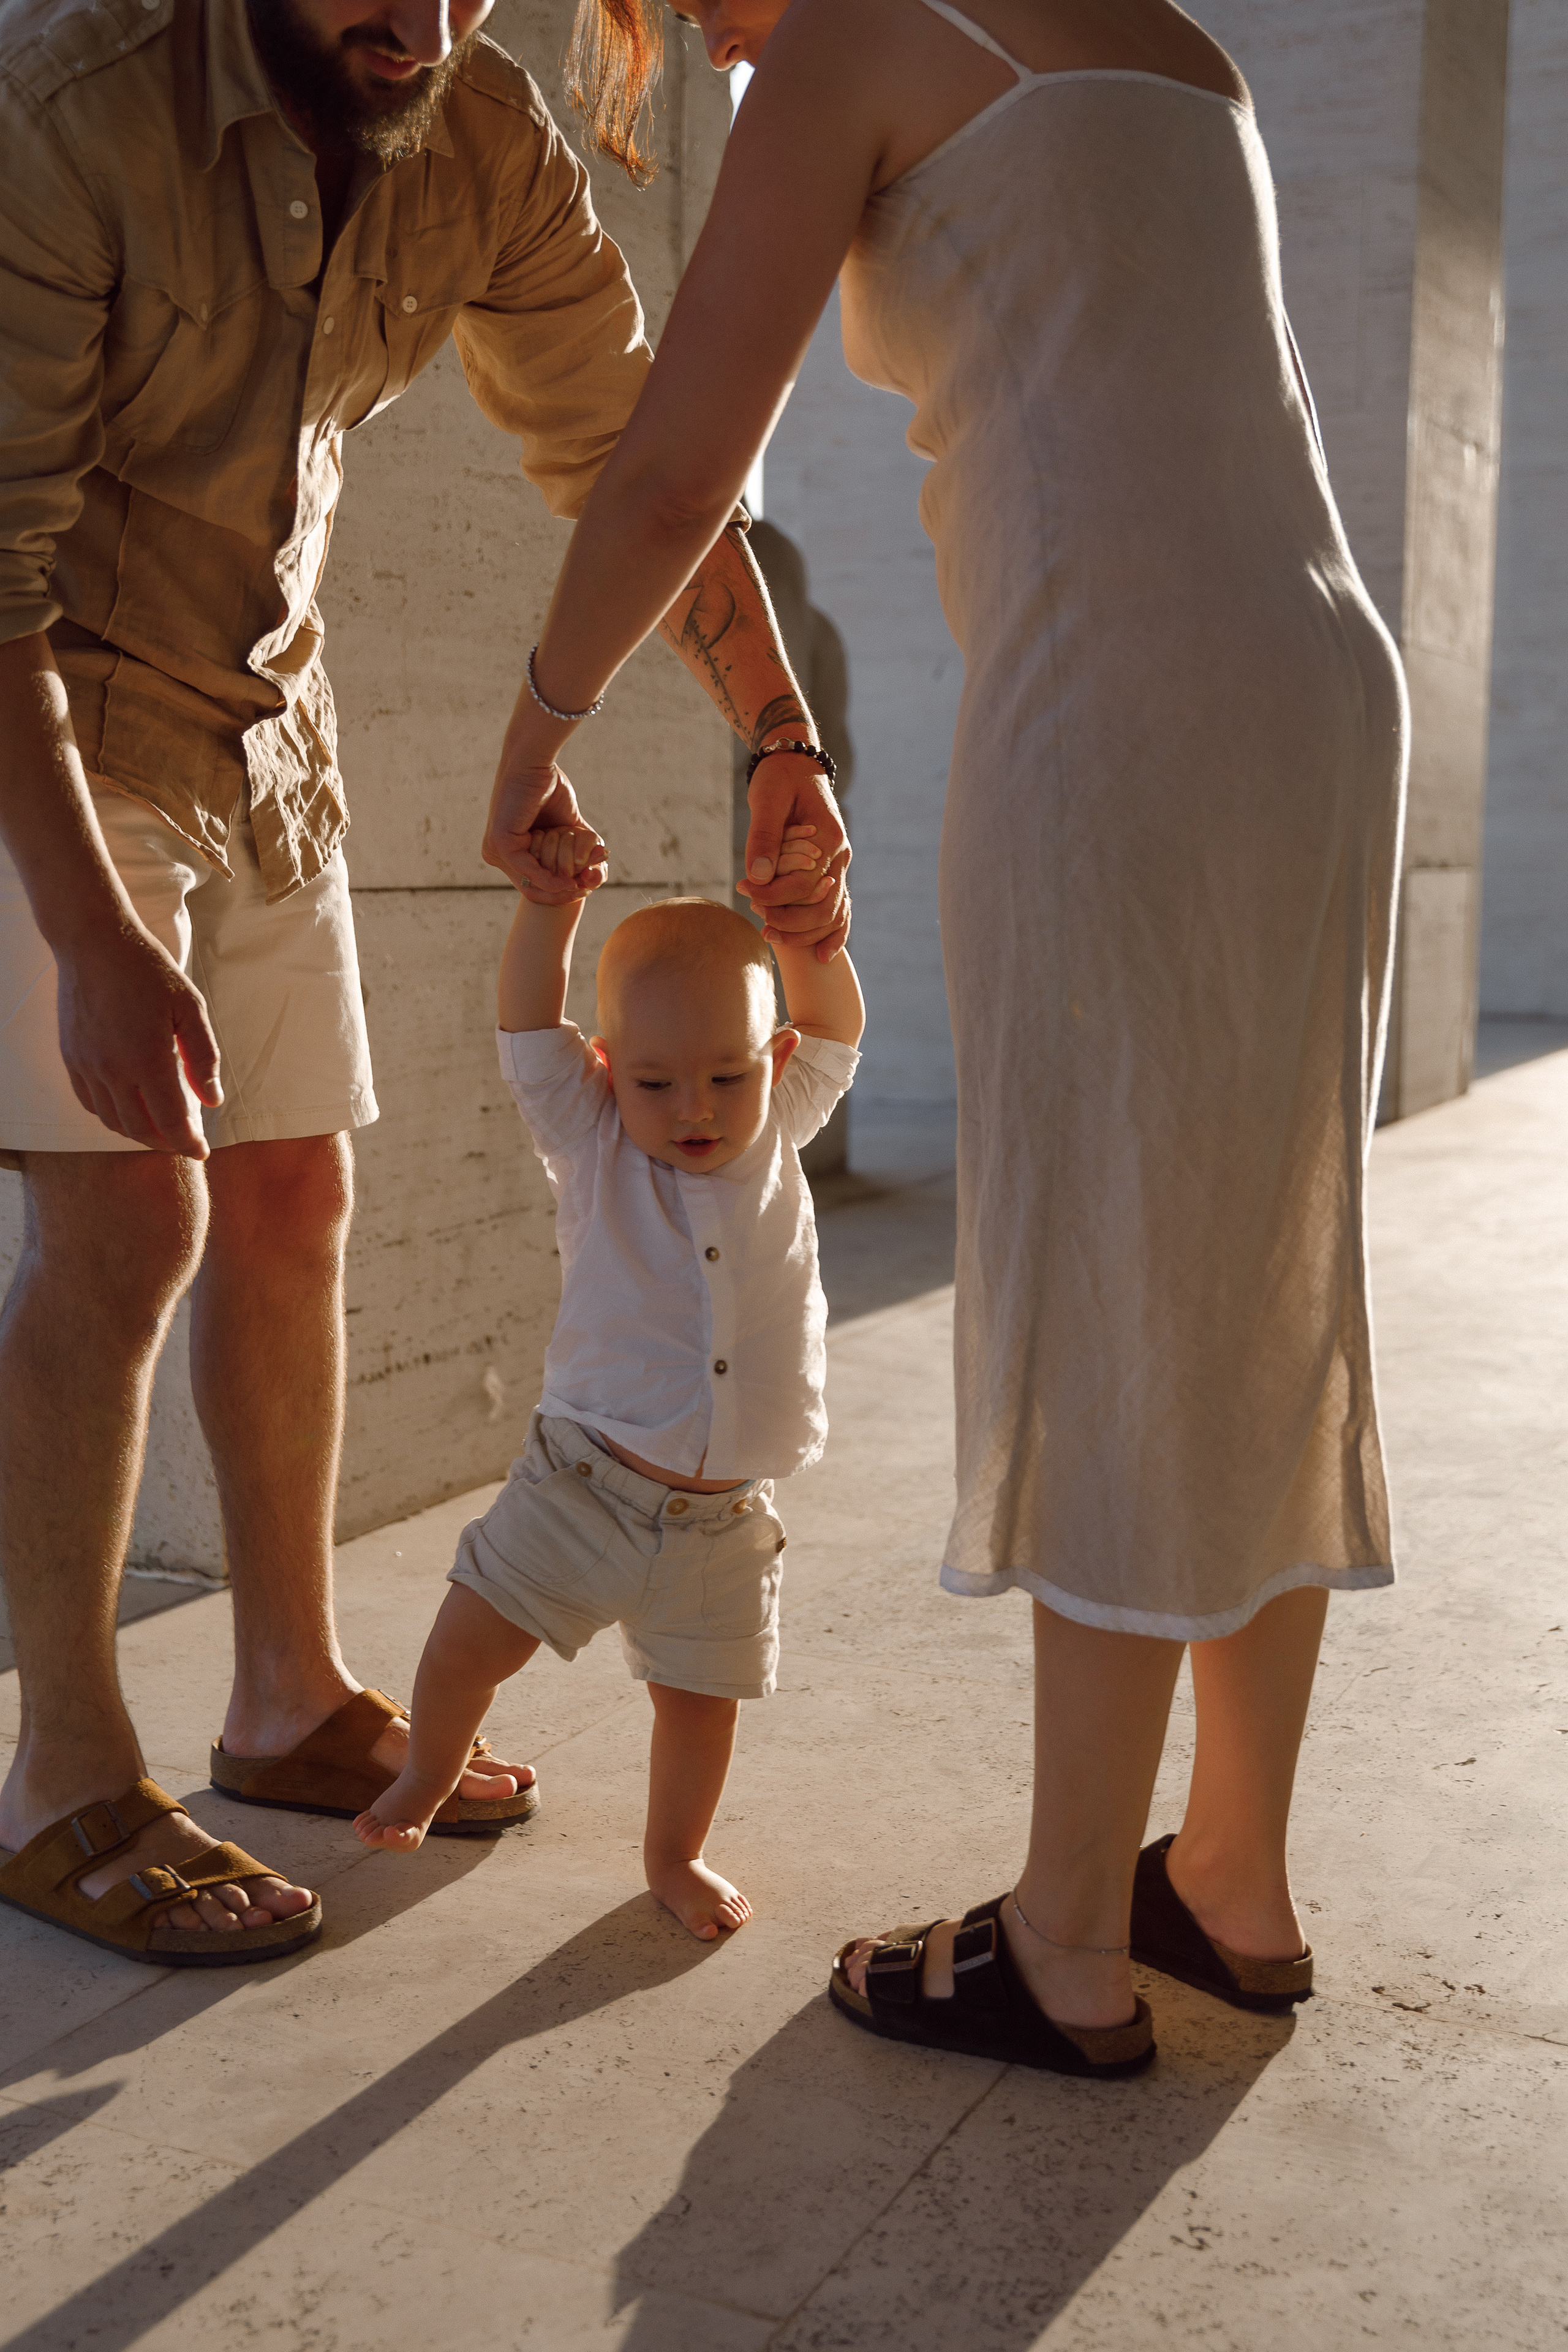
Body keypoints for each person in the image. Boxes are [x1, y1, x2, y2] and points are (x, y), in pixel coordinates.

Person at [476, 0, 1407, 2075]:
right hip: (1324, 687)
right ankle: (1232, 1882)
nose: (707, 38)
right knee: (1265, 1273)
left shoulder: (854, 40)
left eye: (688, 4)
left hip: (1123, 707)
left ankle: (1069, 1932)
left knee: (1102, 1273)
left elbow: (670, 466)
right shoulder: (1180, 44)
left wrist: (529, 733)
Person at [0, 0, 847, 1968]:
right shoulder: (70, 104)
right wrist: (94, 941)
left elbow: (638, 456)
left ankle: (283, 1699)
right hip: (58, 728)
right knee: (130, 1216)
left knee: (295, 1195)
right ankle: (61, 1770)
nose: (421, 21)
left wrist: (778, 736)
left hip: (263, 721)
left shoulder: (480, 131)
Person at [352, 824, 864, 1941]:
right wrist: (549, 911)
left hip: (725, 1517)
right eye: (655, 1080)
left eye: (726, 1077)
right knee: (468, 1644)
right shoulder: (591, 1138)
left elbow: (834, 1022)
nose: (694, 1109)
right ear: (604, 1071)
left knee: (699, 1703)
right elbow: (528, 1026)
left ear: (770, 1066)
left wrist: (807, 937)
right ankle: (429, 1773)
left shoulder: (778, 1121)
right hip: (581, 1483)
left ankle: (674, 1857)